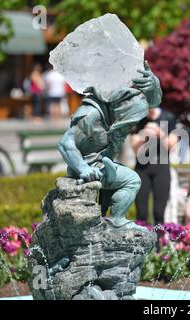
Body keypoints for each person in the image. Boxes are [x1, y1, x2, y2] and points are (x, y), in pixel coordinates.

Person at [57, 61, 162, 230]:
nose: (130, 127)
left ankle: (110, 222)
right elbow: (65, 144)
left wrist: (154, 86)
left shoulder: (121, 102)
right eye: (129, 123)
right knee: (132, 180)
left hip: (103, 163)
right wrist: (83, 168)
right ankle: (117, 220)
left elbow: (153, 103)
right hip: (88, 168)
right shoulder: (90, 115)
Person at [130, 107, 178, 226]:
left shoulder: (168, 117)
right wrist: (143, 135)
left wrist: (159, 132)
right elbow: (136, 150)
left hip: (161, 167)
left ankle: (159, 243)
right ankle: (141, 242)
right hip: (142, 168)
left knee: (159, 212)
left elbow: (171, 146)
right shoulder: (138, 117)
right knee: (141, 212)